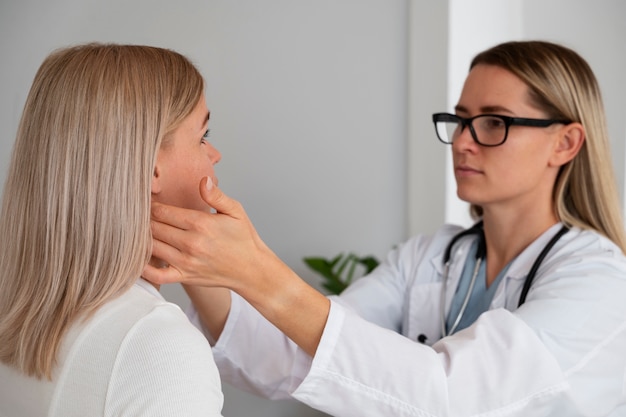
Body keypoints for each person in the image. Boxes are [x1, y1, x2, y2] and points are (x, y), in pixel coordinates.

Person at [143, 40, 626, 416]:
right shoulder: (430, 258)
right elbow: (298, 353)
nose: (462, 142)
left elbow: (457, 399)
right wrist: (195, 257)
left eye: (493, 123)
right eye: (459, 121)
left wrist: (256, 271)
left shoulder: (599, 283)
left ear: (565, 143)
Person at [0, 43, 224, 416]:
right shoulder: (156, 344)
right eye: (203, 135)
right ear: (151, 165)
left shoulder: (19, 312)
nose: (214, 153)